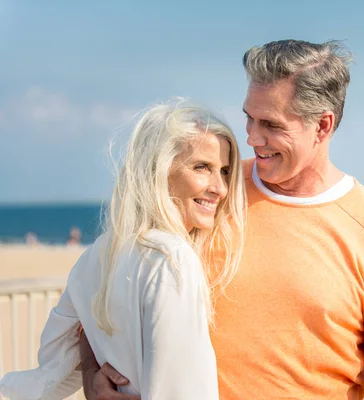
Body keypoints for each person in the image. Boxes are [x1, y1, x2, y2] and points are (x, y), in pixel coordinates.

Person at [82, 39, 364, 399]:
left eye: (271, 125)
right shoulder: (206, 195)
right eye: (249, 118)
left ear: (322, 126)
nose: (251, 138)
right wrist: (94, 379)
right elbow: (99, 291)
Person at [0, 101, 246, 399]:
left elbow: (54, 361)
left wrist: (92, 371)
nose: (220, 188)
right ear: (158, 170)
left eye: (225, 171)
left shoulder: (99, 253)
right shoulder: (173, 259)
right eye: (202, 167)